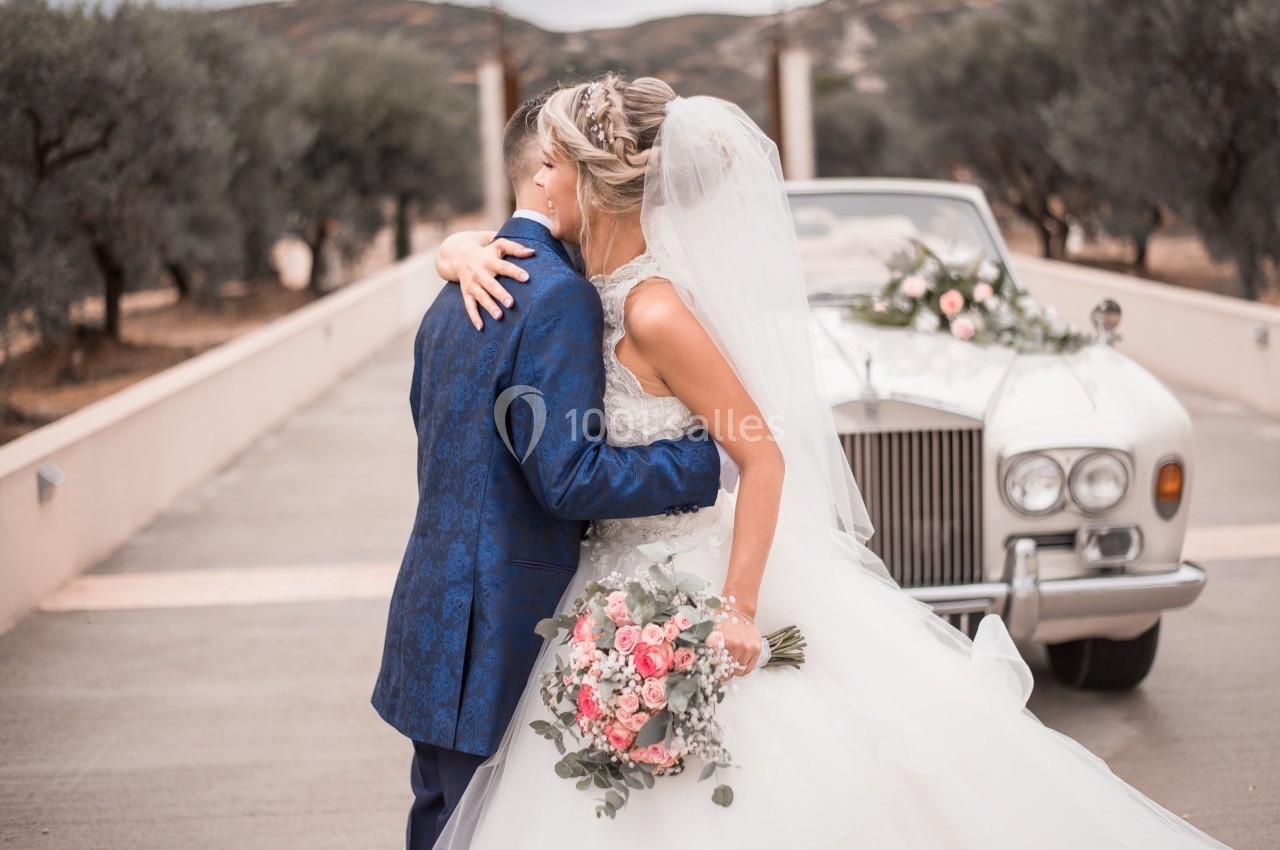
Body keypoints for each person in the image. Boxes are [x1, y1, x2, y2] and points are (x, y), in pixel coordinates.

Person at [431, 74, 1236, 849]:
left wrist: (736, 611)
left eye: (553, 165)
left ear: (594, 183)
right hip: (603, 587)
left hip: (687, 583)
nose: (539, 181)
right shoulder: (586, 288)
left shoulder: (655, 307)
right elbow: (511, 248)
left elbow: (762, 456)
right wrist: (457, 248)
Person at [371, 89, 739, 850]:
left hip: (431, 620)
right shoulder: (562, 299)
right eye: (573, 156)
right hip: (498, 624)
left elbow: (434, 432)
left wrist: (454, 247)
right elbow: (568, 478)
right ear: (548, 169)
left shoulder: (455, 288)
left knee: (439, 822)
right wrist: (697, 462)